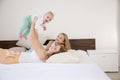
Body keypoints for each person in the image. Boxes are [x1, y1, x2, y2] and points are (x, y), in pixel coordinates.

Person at [0, 18, 71, 64]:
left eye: (55, 48)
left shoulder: (43, 55)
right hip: (15, 55)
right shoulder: (44, 51)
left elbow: (33, 39)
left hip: (12, 58)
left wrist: (33, 23)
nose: (53, 47)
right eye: (58, 36)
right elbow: (36, 40)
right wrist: (36, 28)